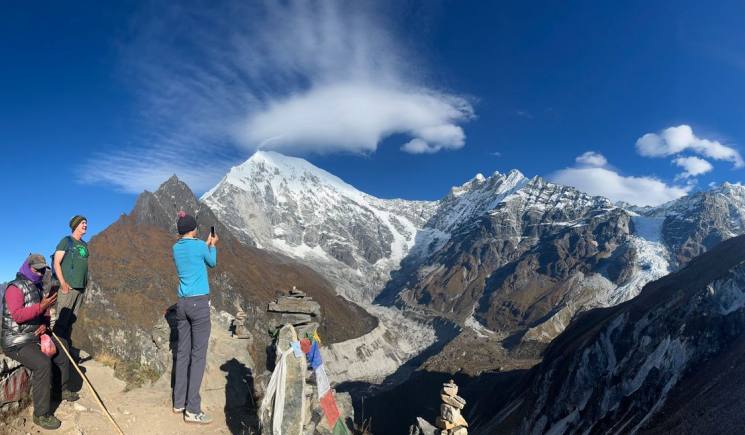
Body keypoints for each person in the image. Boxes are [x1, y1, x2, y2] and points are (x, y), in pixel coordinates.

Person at [2, 254, 79, 430]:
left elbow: (43, 315)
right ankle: (41, 414)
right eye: (37, 269)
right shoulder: (14, 288)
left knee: (62, 346)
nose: (40, 272)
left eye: (43, 269)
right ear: (27, 267)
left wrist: (44, 326)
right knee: (42, 363)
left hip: (33, 335)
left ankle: (60, 390)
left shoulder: (37, 287)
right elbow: (18, 316)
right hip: (15, 341)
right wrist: (42, 306)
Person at [171, 211, 218, 424]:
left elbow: (191, 257)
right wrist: (212, 245)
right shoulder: (200, 245)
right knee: (198, 356)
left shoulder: (175, 248)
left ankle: (178, 401)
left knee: (182, 353)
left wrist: (204, 245)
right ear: (193, 228)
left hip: (182, 304)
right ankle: (192, 409)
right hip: (199, 303)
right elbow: (212, 262)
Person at [52, 215, 89, 341]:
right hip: (68, 288)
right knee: (61, 322)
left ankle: (65, 350)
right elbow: (56, 263)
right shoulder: (66, 241)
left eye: (86, 223)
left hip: (80, 289)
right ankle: (57, 352)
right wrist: (63, 284)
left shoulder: (84, 245)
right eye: (83, 223)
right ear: (75, 225)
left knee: (71, 322)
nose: (85, 225)